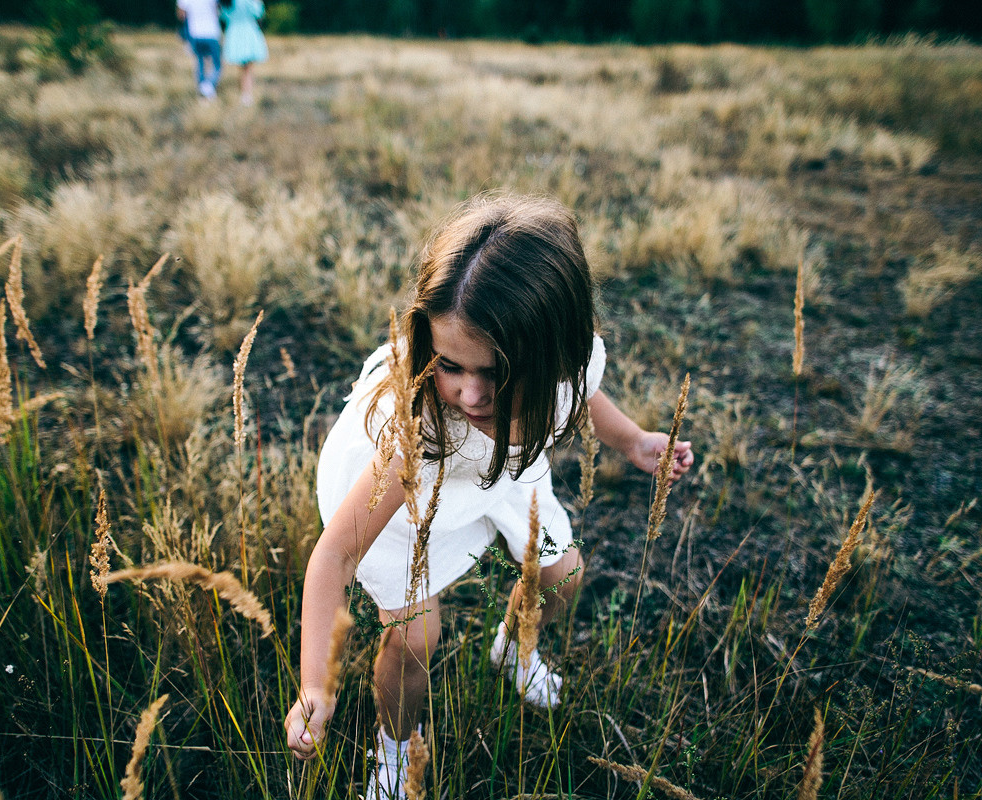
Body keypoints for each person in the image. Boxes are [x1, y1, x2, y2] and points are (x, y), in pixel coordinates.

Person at [283, 194, 695, 799]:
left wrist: (633, 440)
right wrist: (315, 685)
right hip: (412, 499)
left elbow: (579, 396)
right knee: (415, 638)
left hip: (506, 469)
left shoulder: (563, 368)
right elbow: (334, 557)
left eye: (496, 373)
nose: (471, 394)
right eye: (451, 364)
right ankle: (396, 748)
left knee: (562, 578)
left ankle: (512, 647)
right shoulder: (420, 424)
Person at [220, 0, 267, 107]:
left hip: (234, 33)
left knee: (241, 68)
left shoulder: (228, 2)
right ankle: (247, 95)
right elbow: (259, 12)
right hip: (248, 32)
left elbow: (224, 16)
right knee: (248, 68)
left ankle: (243, 93)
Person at [176, 0, 222, 99]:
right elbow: (219, 10)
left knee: (200, 62)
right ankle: (208, 86)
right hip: (212, 32)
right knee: (216, 64)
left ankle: (202, 89)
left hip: (195, 32)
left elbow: (181, 14)